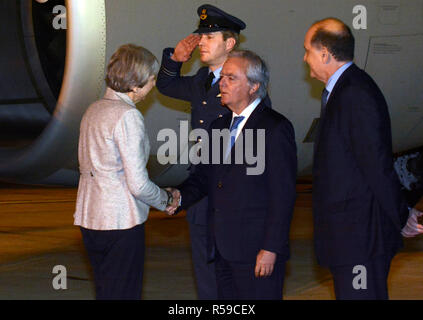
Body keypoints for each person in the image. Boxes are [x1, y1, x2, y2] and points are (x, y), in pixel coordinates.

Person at [168, 50, 297, 299]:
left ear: (253, 86)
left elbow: (283, 195)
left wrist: (271, 247)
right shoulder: (219, 126)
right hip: (222, 250)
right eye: (222, 77)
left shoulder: (275, 127)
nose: (222, 83)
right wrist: (179, 196)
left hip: (257, 251)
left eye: (231, 78)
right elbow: (205, 177)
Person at [303, 18, 414, 299]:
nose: (305, 59)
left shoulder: (354, 94)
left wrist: (402, 215)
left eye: (308, 51)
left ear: (325, 54)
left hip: (360, 240)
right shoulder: (344, 90)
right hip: (350, 238)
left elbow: (376, 164)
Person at [156, 4, 256, 299]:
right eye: (201, 36)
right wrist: (175, 59)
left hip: (231, 190)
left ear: (230, 44)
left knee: (233, 270)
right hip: (201, 189)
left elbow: (254, 141)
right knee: (205, 268)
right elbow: (166, 85)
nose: (202, 42)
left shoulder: (244, 84)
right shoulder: (201, 80)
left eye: (210, 37)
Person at [74, 44, 178, 300]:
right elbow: (138, 184)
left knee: (105, 291)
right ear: (135, 85)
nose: (153, 85)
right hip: (120, 220)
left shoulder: (93, 110)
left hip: (90, 218)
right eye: (151, 79)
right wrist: (165, 201)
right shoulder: (127, 116)